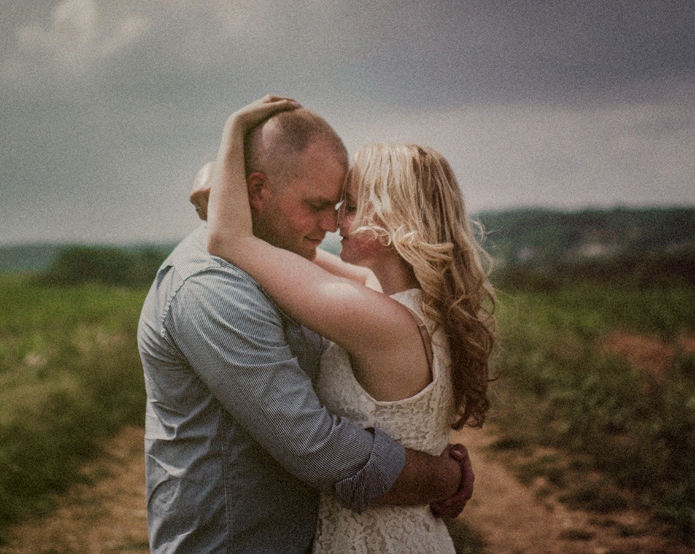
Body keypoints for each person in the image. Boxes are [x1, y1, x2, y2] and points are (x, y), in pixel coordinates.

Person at [138, 98, 473, 554]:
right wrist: (443, 476)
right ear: (256, 191)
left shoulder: (350, 291)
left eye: (345, 205)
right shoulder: (210, 287)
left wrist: (222, 181)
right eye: (322, 205)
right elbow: (318, 450)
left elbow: (240, 235)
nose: (333, 223)